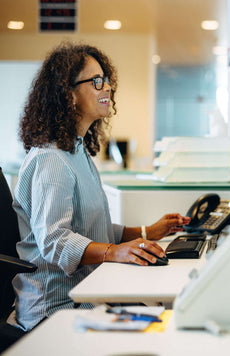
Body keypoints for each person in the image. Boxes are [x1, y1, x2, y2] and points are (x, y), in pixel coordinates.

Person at [11, 42, 190, 331]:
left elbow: (91, 228)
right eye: (96, 81)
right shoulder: (51, 160)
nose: (107, 87)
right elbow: (54, 241)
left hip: (89, 293)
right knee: (161, 325)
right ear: (68, 94)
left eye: (106, 80)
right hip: (56, 307)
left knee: (163, 319)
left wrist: (147, 232)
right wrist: (113, 251)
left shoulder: (76, 152)